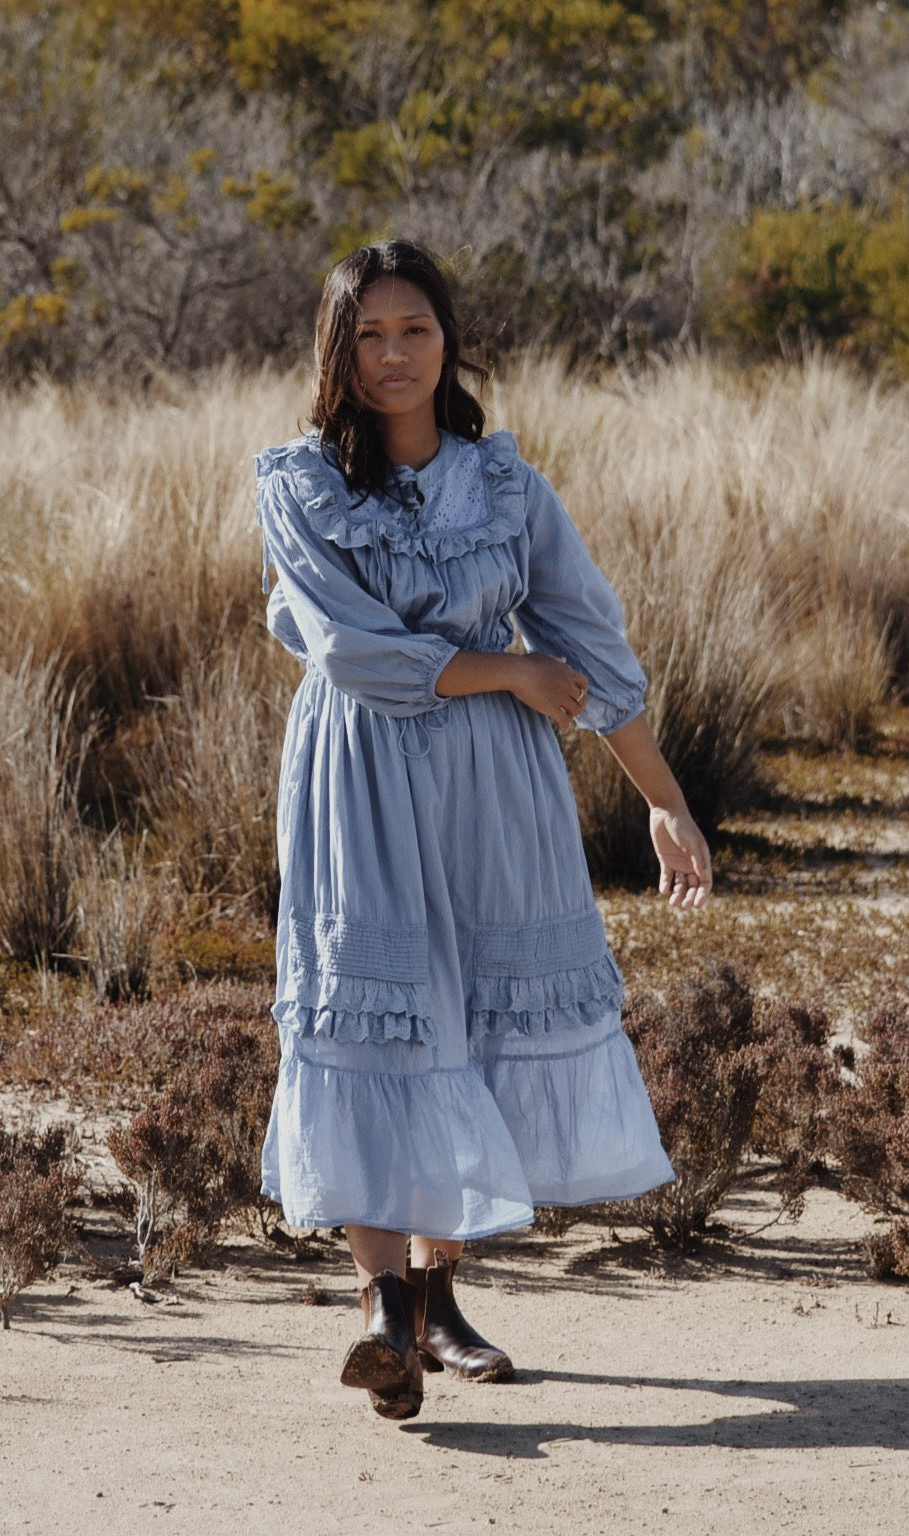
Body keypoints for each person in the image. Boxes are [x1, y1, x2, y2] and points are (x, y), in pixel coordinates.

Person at [255, 240, 712, 1421]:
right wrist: (506, 669)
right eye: (368, 335)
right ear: (337, 354)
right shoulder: (299, 486)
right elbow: (352, 652)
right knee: (374, 1009)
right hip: (358, 774)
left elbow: (591, 641)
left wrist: (660, 796)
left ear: (447, 340)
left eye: (414, 329)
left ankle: (434, 1306)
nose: (394, 353)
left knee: (475, 1018)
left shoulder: (506, 486)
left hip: (491, 788)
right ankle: (380, 1304)